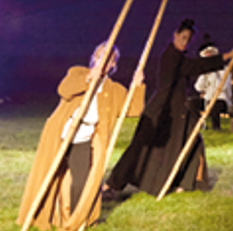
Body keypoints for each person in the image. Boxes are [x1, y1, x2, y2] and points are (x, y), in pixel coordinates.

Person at [105, 19, 233, 197]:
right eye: (183, 37)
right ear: (174, 35)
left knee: (191, 142)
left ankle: (183, 183)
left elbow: (193, 66)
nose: (185, 42)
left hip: (175, 110)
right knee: (140, 148)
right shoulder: (171, 56)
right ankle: (111, 184)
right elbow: (196, 66)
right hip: (162, 110)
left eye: (188, 40)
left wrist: (227, 56)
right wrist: (227, 55)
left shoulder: (177, 56)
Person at [17, 42, 141, 231]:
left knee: (81, 182)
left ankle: (74, 221)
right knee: (48, 177)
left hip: (83, 138)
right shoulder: (78, 73)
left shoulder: (113, 89)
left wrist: (138, 85)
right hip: (61, 134)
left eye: (109, 61)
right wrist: (89, 78)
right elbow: (64, 90)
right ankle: (40, 216)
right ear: (94, 58)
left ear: (113, 66)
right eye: (101, 57)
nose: (104, 63)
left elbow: (133, 109)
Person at [192, 42, 233, 131]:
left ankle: (216, 128)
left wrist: (213, 73)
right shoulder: (205, 71)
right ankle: (200, 125)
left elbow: (223, 88)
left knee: (214, 106)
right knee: (190, 103)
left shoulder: (224, 70)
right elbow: (198, 88)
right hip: (208, 100)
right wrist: (204, 75)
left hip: (221, 100)